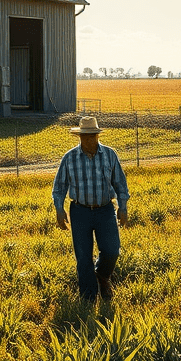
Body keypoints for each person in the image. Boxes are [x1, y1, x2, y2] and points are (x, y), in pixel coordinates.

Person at [52, 115, 129, 301]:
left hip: (105, 210)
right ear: (79, 137)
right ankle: (88, 298)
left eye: (92, 135)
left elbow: (120, 183)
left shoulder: (110, 155)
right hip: (80, 211)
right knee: (83, 257)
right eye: (85, 136)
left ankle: (102, 276)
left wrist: (123, 206)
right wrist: (59, 208)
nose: (89, 139)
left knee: (112, 250)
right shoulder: (69, 158)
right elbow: (59, 186)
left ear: (97, 135)